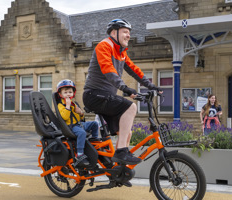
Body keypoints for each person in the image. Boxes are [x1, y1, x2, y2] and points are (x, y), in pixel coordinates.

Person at [83, 19, 162, 165]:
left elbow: (134, 70)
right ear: (114, 32)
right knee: (131, 107)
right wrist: (125, 88)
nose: (128, 36)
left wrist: (151, 86)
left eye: (129, 33)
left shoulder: (122, 53)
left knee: (126, 133)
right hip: (94, 95)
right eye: (125, 32)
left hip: (106, 97)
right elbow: (108, 70)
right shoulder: (104, 46)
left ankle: (118, 169)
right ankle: (121, 152)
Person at [56, 79, 99, 167]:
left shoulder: (74, 104)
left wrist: (81, 113)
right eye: (65, 92)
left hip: (79, 124)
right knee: (81, 133)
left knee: (95, 124)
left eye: (70, 92)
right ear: (60, 94)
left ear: (73, 93)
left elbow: (81, 118)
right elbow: (64, 117)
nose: (68, 94)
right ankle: (79, 154)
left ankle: (94, 141)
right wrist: (67, 106)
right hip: (70, 127)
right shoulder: (61, 105)